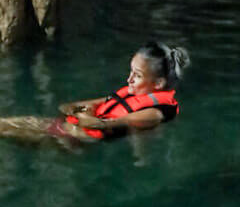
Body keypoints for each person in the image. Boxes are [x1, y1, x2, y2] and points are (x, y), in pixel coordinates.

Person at [55, 41, 189, 141]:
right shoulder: (130, 93)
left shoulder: (154, 113)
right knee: (36, 125)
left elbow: (99, 125)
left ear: (158, 83)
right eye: (131, 71)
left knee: (37, 129)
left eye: (137, 75)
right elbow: (67, 107)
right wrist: (84, 112)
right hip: (70, 130)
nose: (129, 79)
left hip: (77, 141)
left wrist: (87, 112)